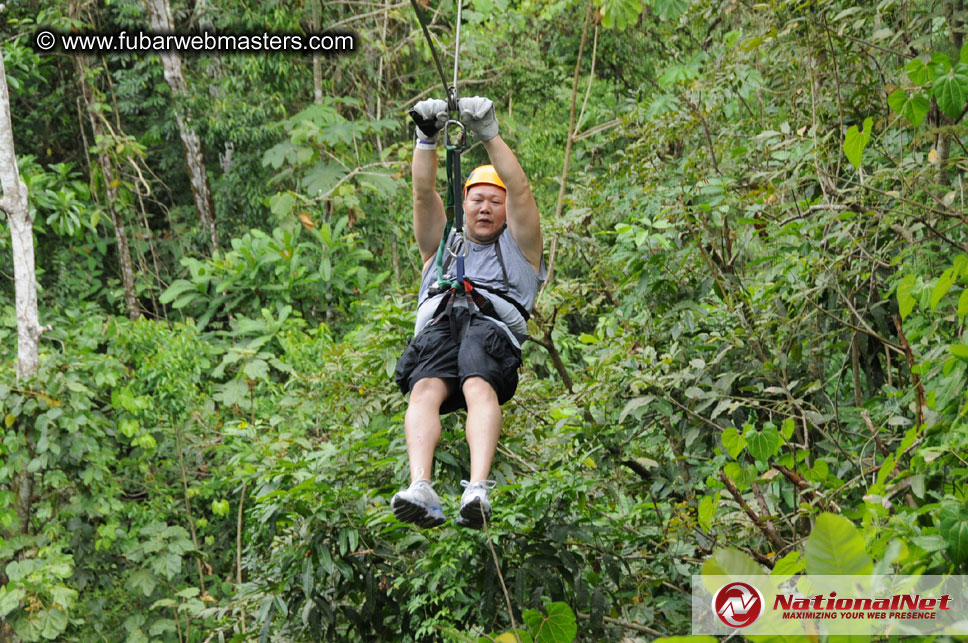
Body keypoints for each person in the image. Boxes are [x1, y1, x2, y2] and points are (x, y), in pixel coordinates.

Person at [391, 96, 545, 529]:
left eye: (494, 202)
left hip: (489, 328)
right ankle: (420, 484)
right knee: (423, 390)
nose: (485, 208)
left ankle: (476, 486)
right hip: (441, 325)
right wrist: (426, 140)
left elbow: (521, 191)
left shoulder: (521, 249)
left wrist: (489, 134)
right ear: (463, 205)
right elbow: (423, 193)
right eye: (476, 199)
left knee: (478, 382)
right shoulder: (441, 246)